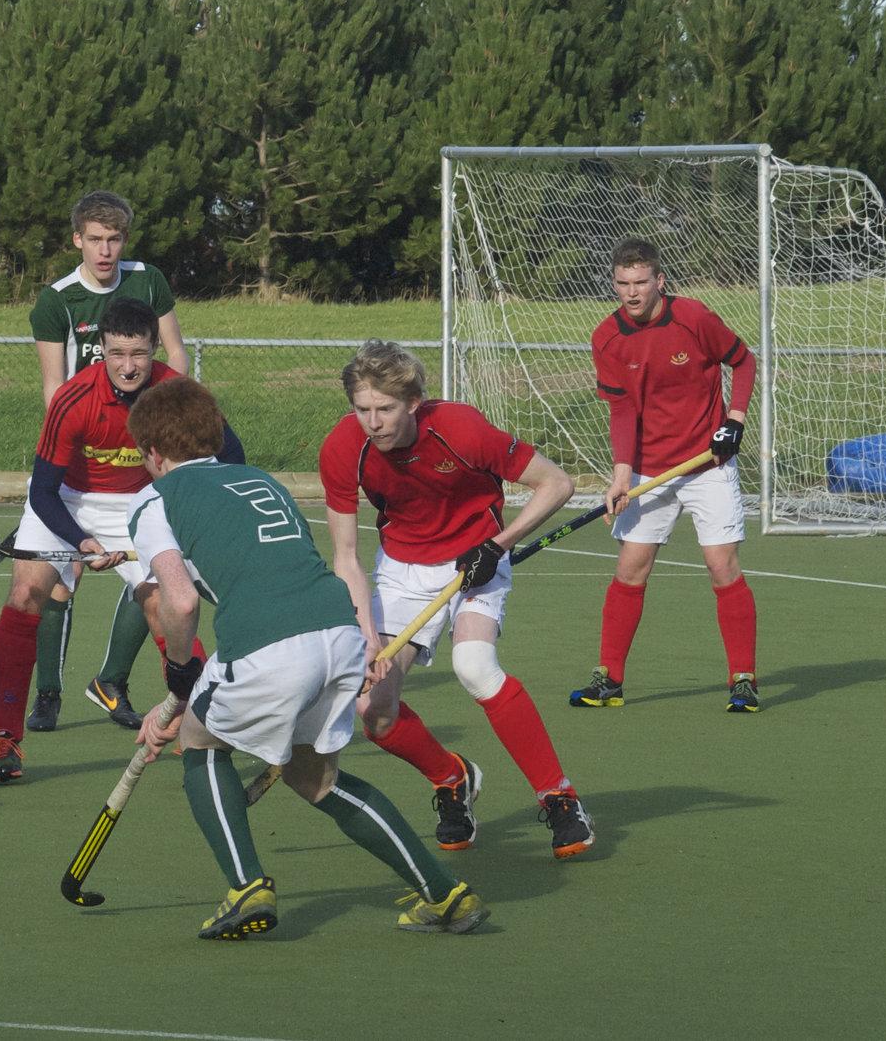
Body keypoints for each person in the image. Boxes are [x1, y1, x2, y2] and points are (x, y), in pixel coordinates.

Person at [129, 377, 488, 938]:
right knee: (315, 778)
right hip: (338, 633)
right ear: (216, 433)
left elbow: (179, 599)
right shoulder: (258, 478)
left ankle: (246, 887)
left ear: (151, 453)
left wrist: (179, 682)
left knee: (199, 744)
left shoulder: (155, 498)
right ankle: (445, 894)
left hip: (270, 642)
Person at [319, 340, 595, 860]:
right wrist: (365, 636)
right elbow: (347, 558)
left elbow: (556, 483)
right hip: (400, 574)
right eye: (363, 410)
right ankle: (451, 777)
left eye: (385, 409)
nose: (373, 423)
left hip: (476, 562)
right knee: (373, 711)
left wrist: (497, 547)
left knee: (474, 665)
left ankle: (559, 797)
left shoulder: (461, 427)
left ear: (414, 402)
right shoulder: (342, 448)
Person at [0, 297, 237, 784]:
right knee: (24, 595)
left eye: (139, 354)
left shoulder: (178, 392)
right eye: (117, 353)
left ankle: (208, 727)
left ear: (152, 349)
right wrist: (81, 543)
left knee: (166, 603)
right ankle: (5, 738)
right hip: (68, 500)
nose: (128, 366)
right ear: (100, 348)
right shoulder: (73, 398)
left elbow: (232, 455)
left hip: (143, 500)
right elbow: (42, 490)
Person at [23, 190, 190, 732]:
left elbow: (175, 356)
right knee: (54, 584)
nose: (105, 250)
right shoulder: (56, 301)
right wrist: (95, 430)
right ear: (77, 239)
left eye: (114, 239)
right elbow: (55, 387)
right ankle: (48, 693)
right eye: (94, 239)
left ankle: (110, 681)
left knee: (153, 581)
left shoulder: (148, 279)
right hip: (79, 456)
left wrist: (178, 424)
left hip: (143, 460)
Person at [572, 237, 760, 713]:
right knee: (630, 569)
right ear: (613, 283)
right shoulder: (606, 338)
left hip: (707, 464)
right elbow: (621, 410)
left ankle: (742, 679)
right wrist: (621, 478)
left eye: (640, 283)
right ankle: (608, 681)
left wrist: (733, 422)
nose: (631, 292)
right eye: (622, 284)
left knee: (722, 566)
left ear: (660, 281)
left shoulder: (694, 318)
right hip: (647, 469)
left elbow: (743, 360)